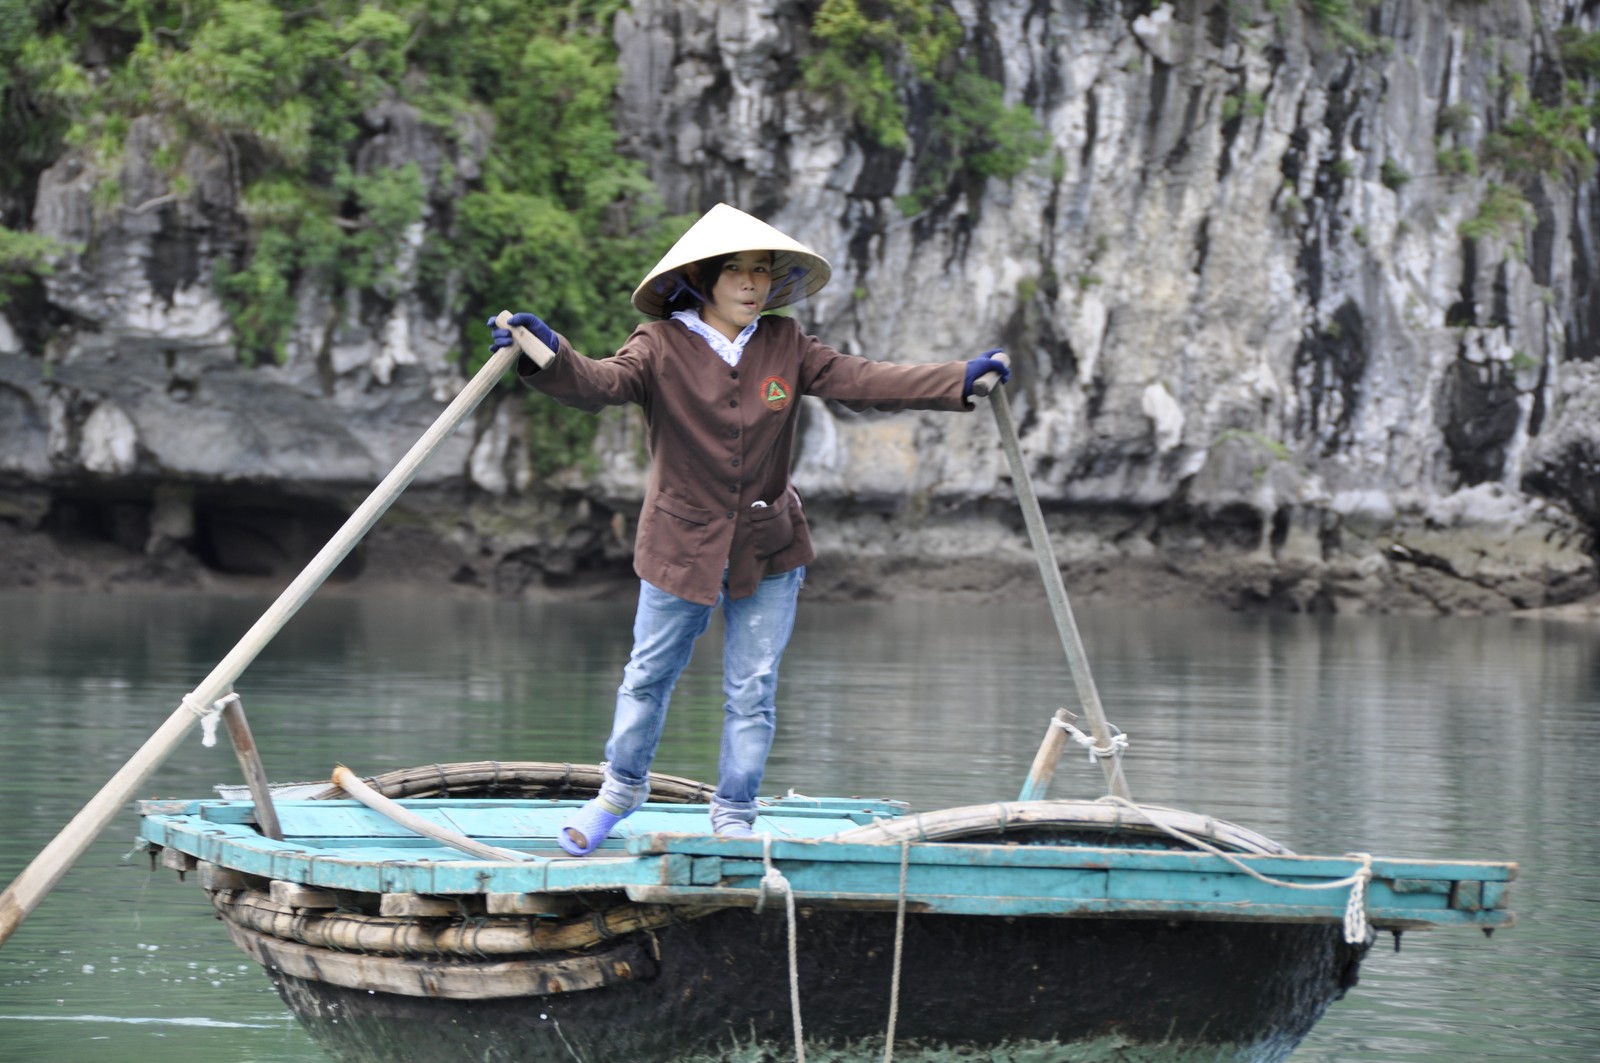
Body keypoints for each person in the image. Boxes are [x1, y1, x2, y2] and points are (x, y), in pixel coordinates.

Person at [487, 203, 1008, 855]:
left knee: (753, 687)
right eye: (737, 270)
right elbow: (597, 382)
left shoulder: (784, 344)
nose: (752, 284)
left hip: (770, 543)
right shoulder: (659, 345)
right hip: (680, 544)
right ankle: (617, 795)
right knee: (647, 675)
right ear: (704, 278)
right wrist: (544, 350)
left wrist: (959, 379)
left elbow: (863, 379)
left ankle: (733, 812)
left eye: (761, 271)